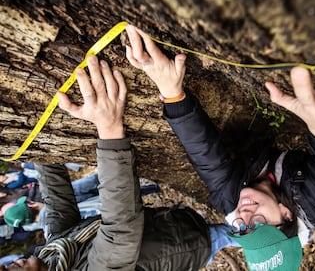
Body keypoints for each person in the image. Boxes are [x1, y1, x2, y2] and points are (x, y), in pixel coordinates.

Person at [124, 24, 315, 270]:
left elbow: (205, 155)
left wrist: (172, 93)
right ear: (287, 214)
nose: (245, 214)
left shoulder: (230, 201)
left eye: (242, 228)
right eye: (259, 224)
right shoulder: (306, 204)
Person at [0, 54, 217, 271]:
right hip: (191, 245)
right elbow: (120, 230)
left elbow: (58, 201)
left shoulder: (51, 253)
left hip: (172, 224)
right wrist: (109, 129)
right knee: (237, 234)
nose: (7, 267)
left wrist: (36, 142)